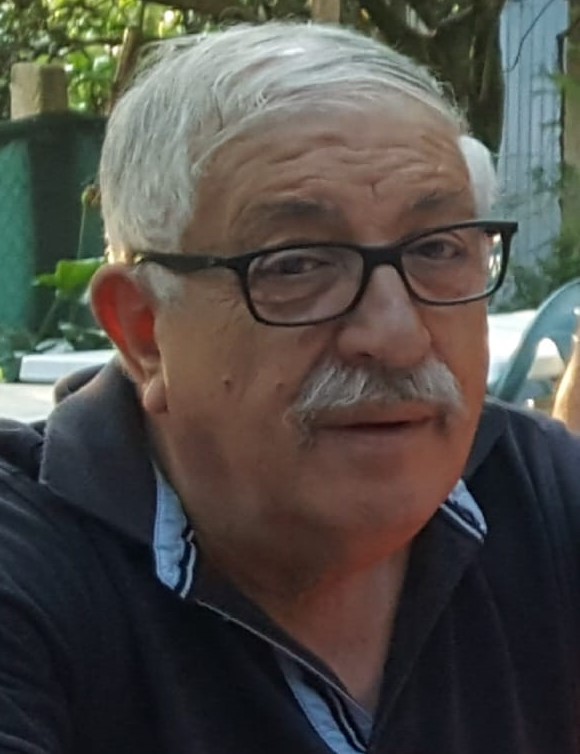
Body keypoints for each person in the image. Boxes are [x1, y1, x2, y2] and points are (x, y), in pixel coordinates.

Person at [1, 22, 580, 754]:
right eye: (297, 264)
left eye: (438, 249)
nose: (397, 336)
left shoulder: (541, 498)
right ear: (145, 332)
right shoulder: (30, 571)